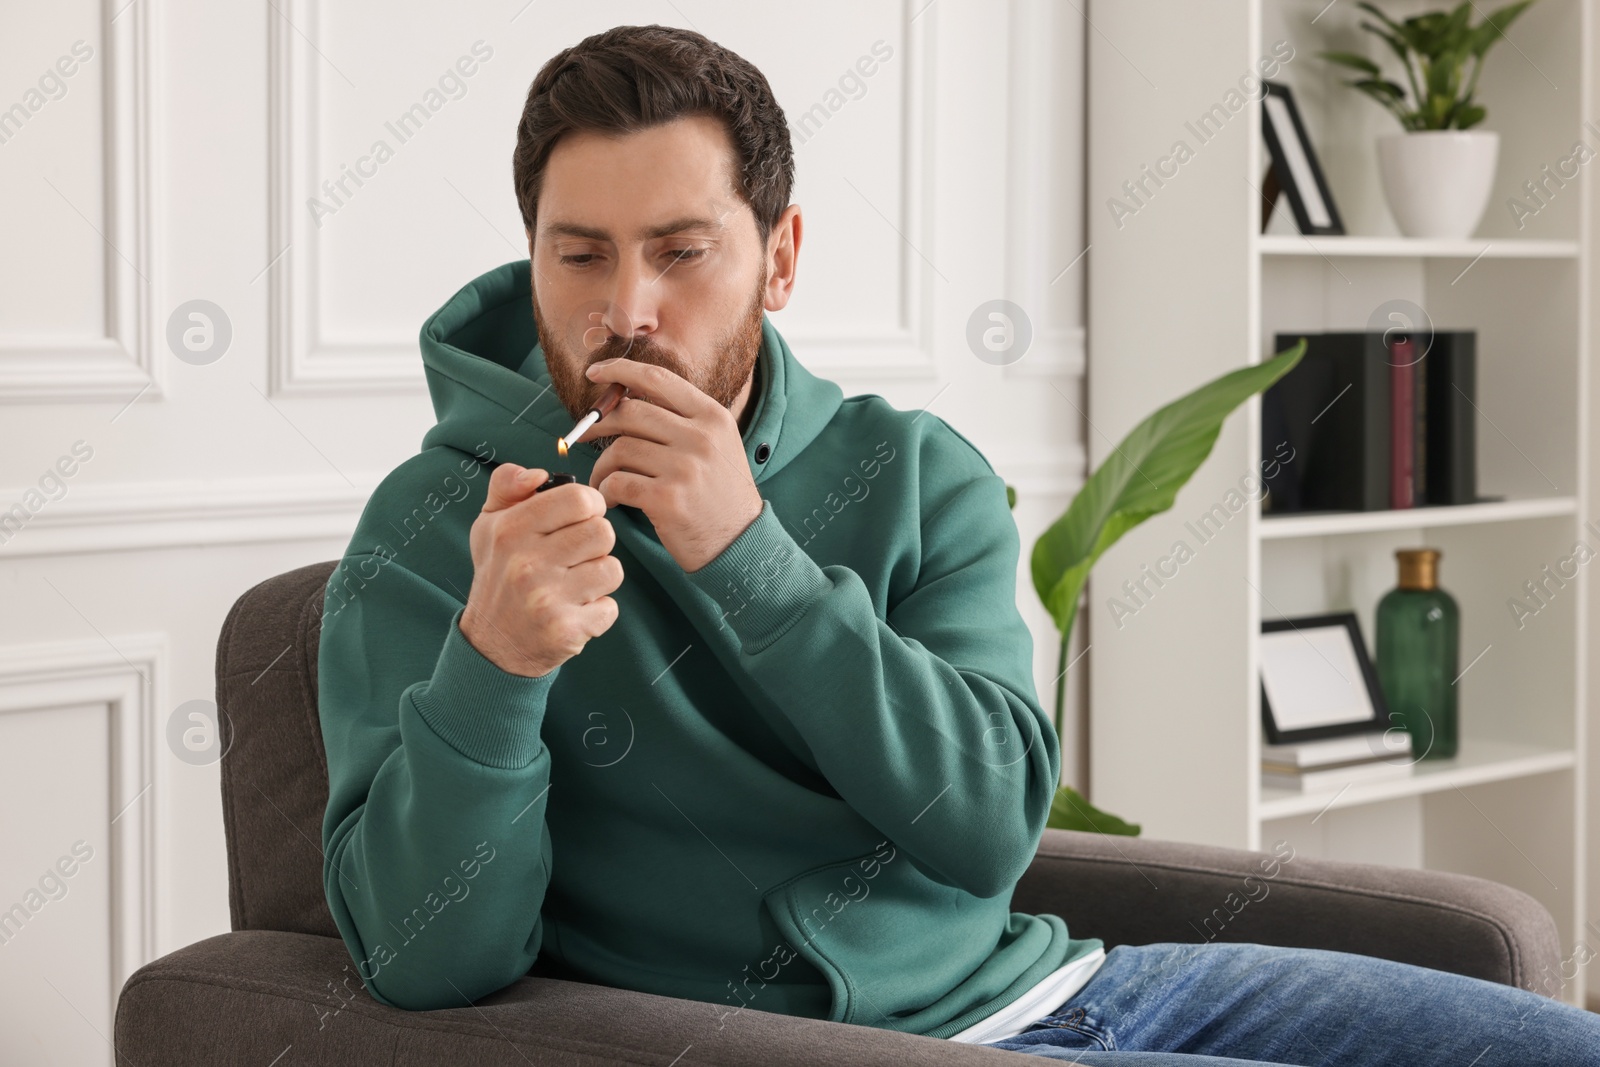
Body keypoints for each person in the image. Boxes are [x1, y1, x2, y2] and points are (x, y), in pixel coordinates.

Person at [315, 24, 1600, 1064]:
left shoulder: (916, 469)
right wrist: (493, 664)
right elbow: (426, 963)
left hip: (1072, 988)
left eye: (681, 251)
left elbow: (989, 825)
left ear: (779, 258)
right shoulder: (438, 530)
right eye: (579, 253)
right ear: (531, 259)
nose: (627, 309)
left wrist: (749, 556)